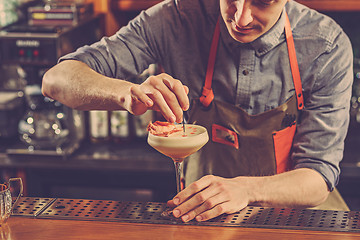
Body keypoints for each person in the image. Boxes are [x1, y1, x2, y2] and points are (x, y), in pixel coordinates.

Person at [42, 0, 353, 223]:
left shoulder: (326, 45)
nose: (241, 17)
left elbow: (318, 176)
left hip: (299, 222)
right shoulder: (176, 18)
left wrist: (245, 189)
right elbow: (56, 81)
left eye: (261, 2)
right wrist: (125, 92)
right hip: (205, 216)